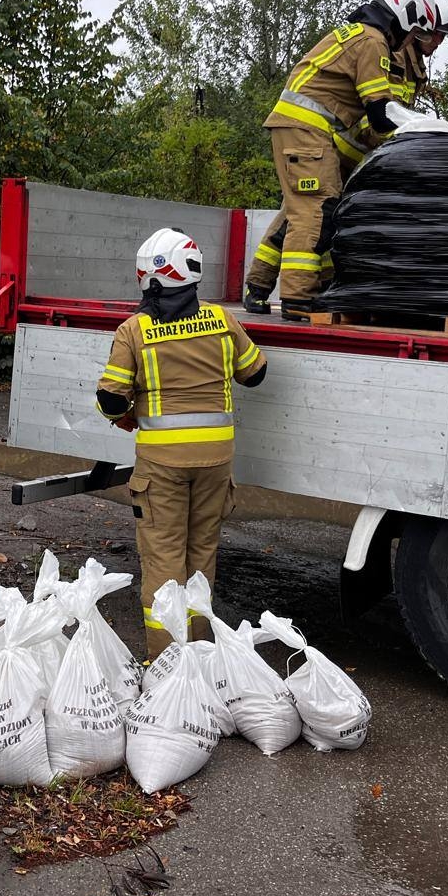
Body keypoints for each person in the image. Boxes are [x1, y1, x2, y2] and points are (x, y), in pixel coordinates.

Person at [95, 229, 268, 658]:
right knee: (202, 554)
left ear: (147, 277)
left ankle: (168, 663)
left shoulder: (134, 330)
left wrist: (122, 414)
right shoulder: (222, 320)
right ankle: (200, 655)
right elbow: (256, 373)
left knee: (164, 559)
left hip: (162, 466)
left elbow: (111, 398)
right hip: (216, 462)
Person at [243, 0, 439, 320]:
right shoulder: (373, 42)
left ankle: (264, 286)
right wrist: (421, 132)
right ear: (405, 17)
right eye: (413, 34)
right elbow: (379, 113)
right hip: (307, 130)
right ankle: (299, 299)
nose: (409, 41)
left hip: (303, 129)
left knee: (304, 209)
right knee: (316, 211)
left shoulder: (362, 34)